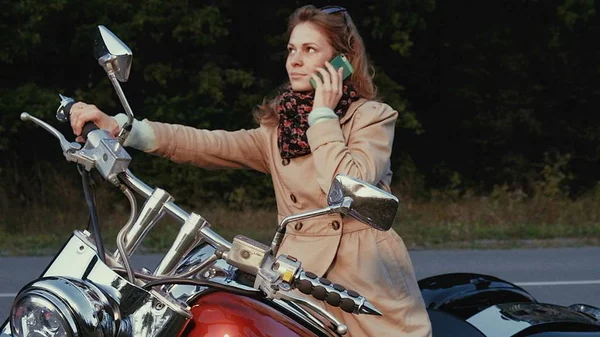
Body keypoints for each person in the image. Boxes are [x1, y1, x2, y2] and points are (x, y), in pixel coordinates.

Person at [69, 4, 432, 337]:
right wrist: (126, 128)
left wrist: (322, 114)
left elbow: (347, 181)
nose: (296, 61)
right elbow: (210, 144)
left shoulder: (371, 118)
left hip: (363, 284)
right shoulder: (280, 131)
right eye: (292, 50)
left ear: (342, 61)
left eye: (310, 50)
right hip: (295, 280)